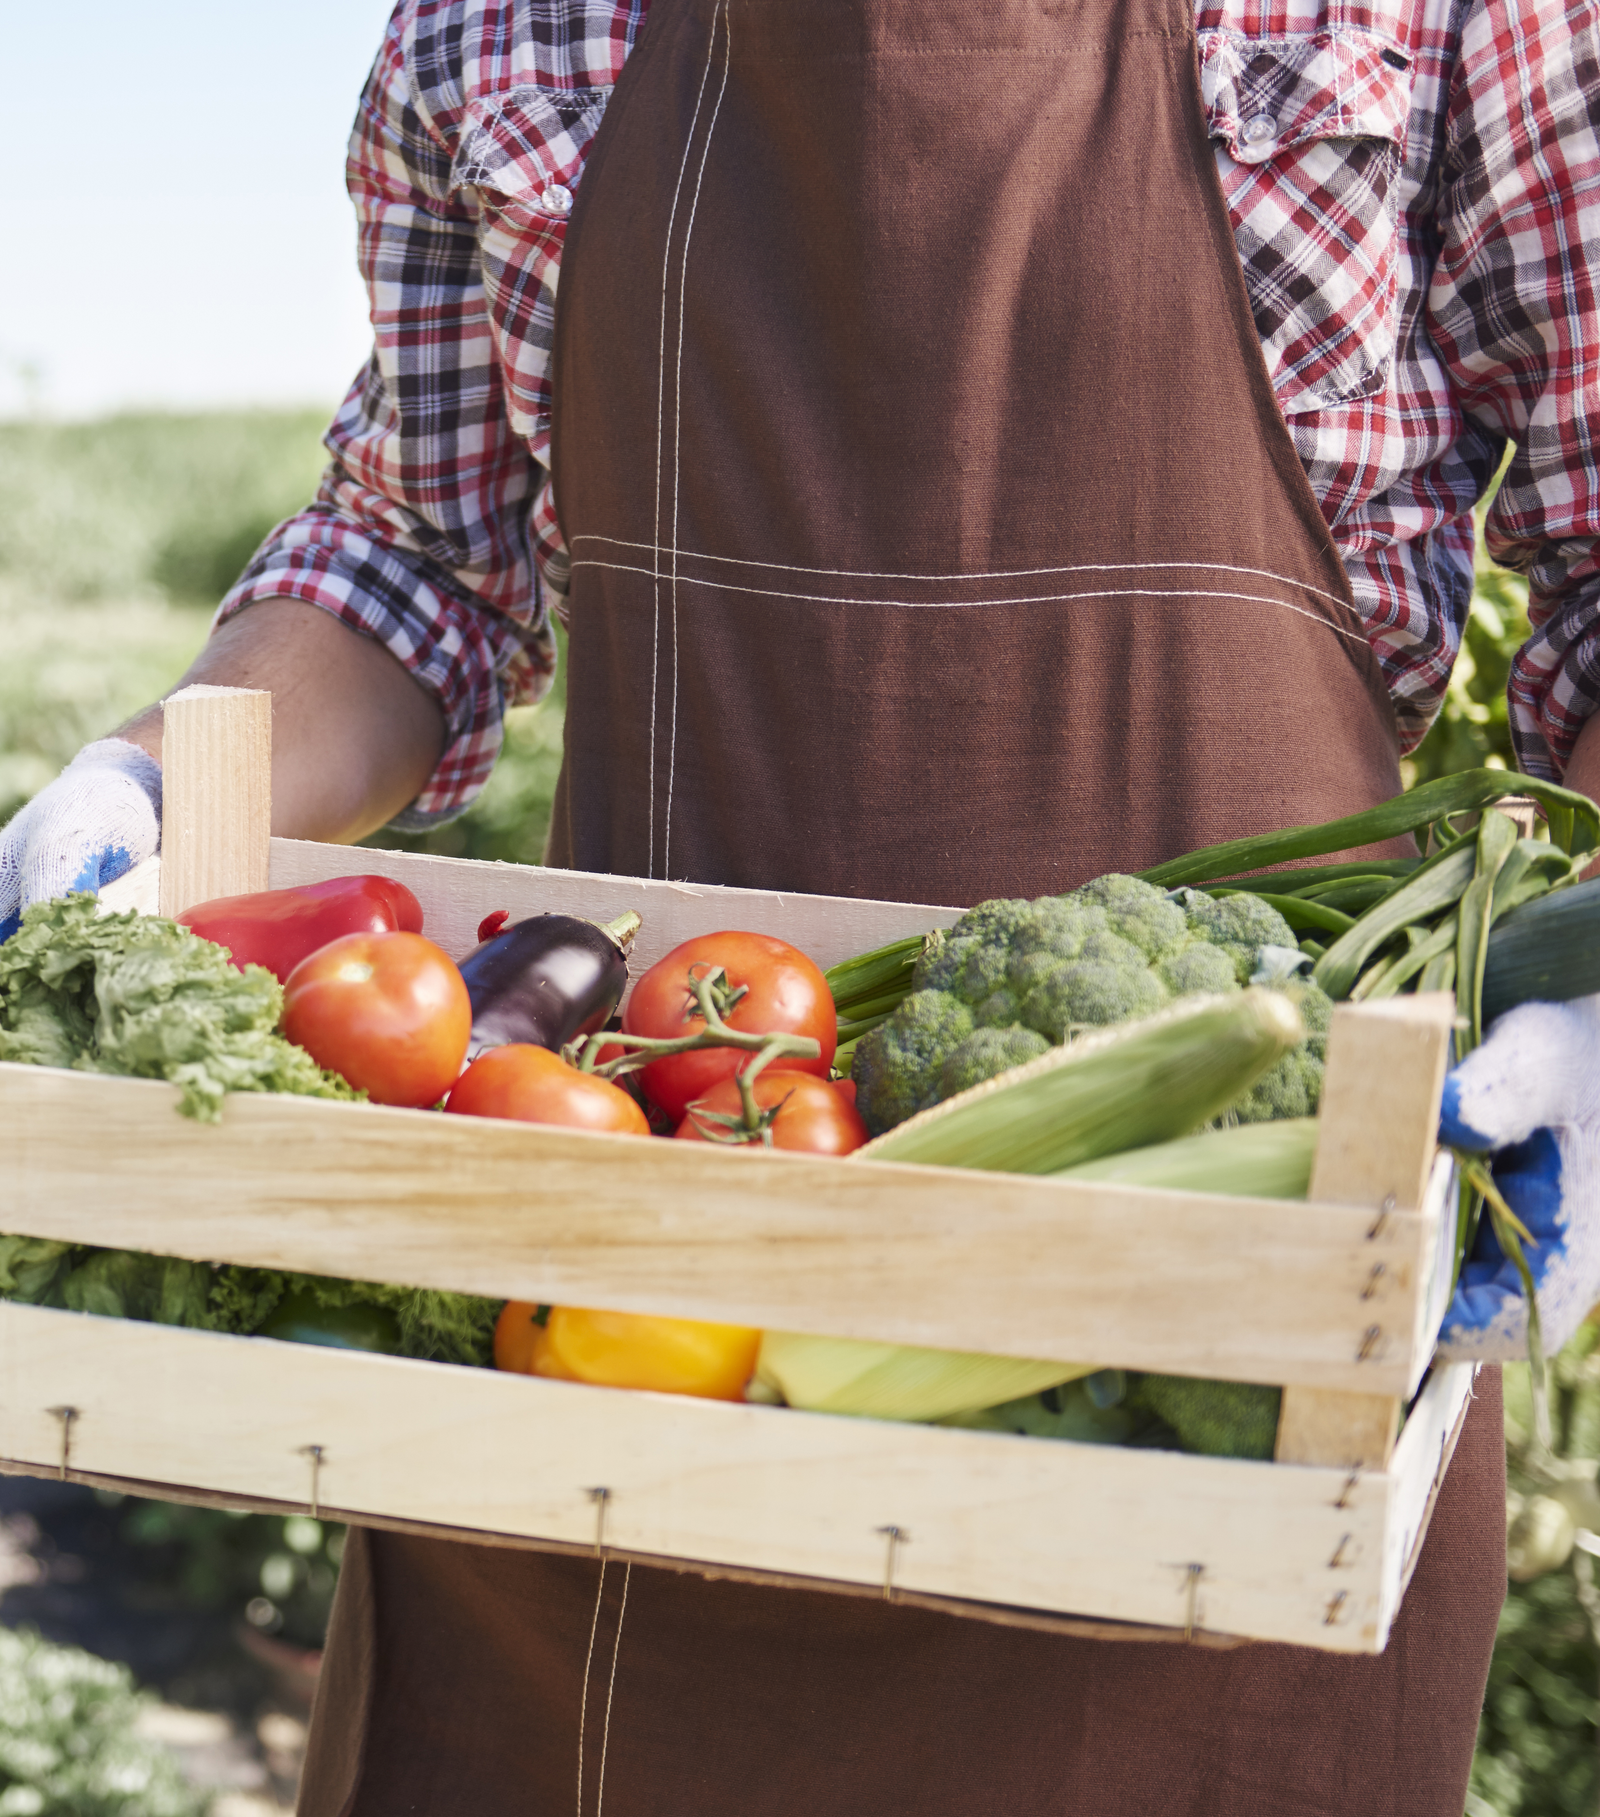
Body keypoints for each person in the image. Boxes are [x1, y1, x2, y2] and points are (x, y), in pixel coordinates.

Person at [3, 0, 1600, 1807]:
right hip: (613, 1354)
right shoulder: (513, 24)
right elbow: (414, 559)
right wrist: (148, 783)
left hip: (1223, 1371)